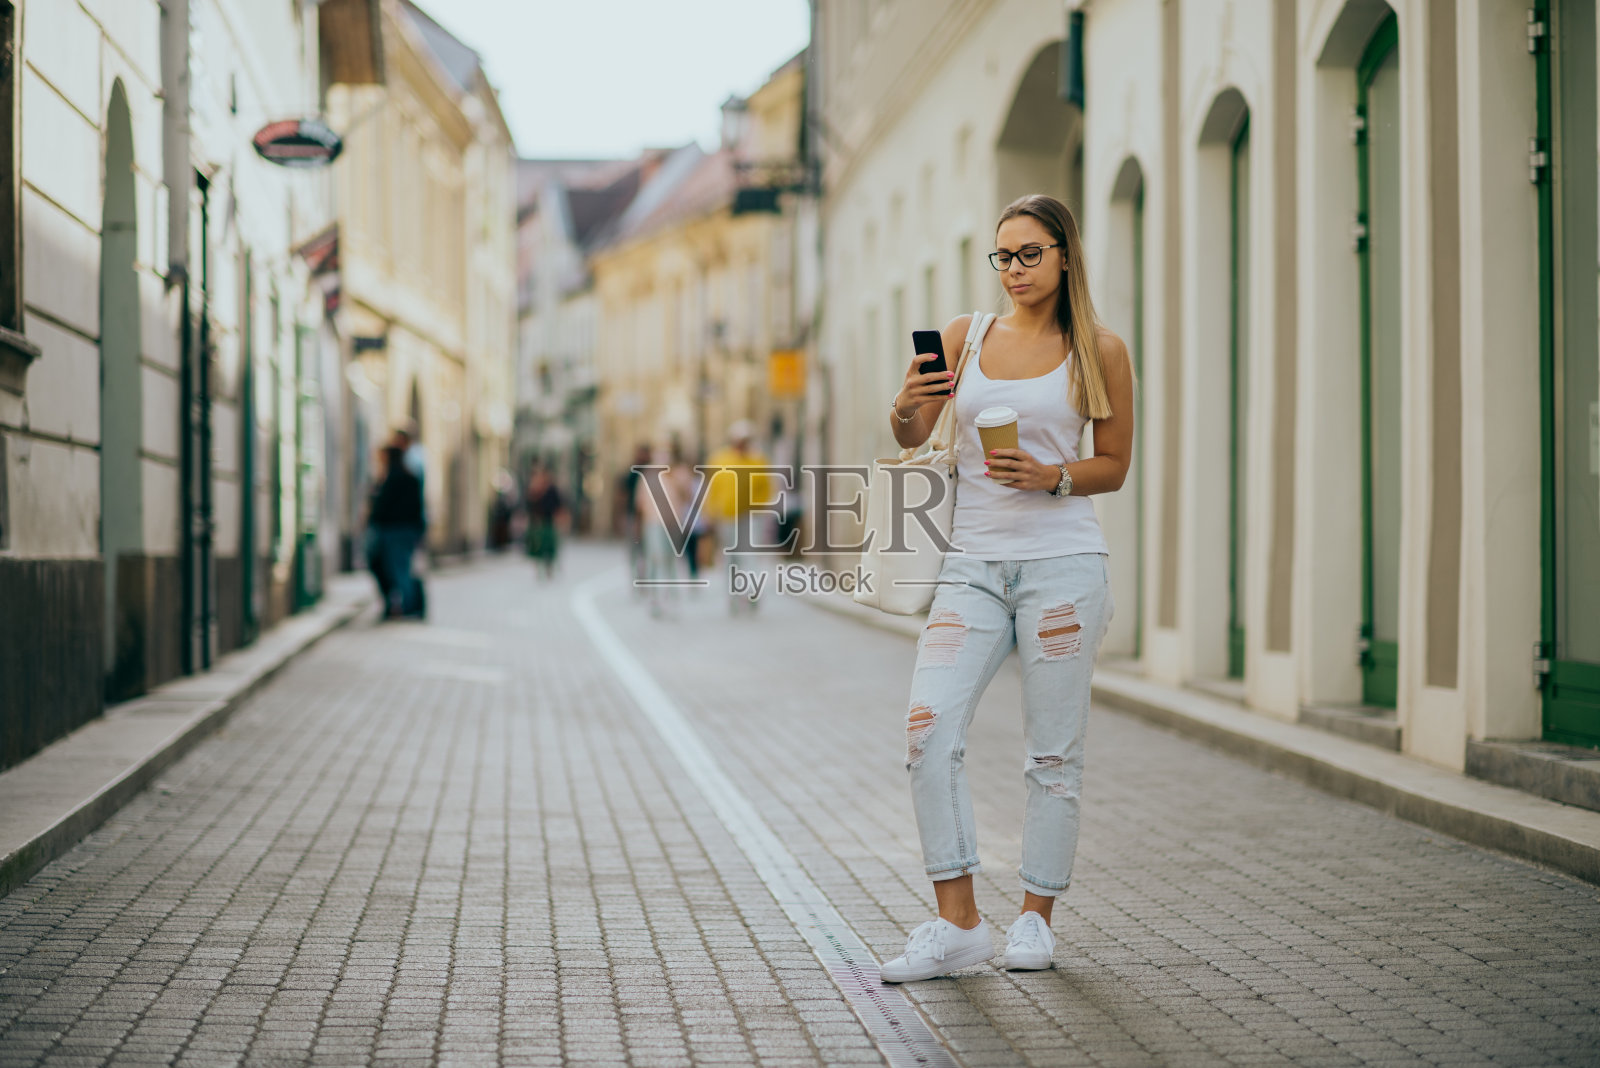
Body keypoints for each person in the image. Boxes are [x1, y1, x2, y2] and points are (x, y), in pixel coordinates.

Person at [876, 194, 1135, 982]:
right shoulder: (966, 337)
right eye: (1003, 256)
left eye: (1029, 254)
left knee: (1052, 756)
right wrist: (907, 406)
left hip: (1062, 567)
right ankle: (959, 925)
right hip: (970, 566)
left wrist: (1053, 476)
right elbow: (909, 434)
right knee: (928, 730)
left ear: (1064, 256)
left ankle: (1035, 918)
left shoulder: (1099, 349)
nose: (1014, 270)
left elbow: (1114, 466)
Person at [704, 420, 778, 614]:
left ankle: (753, 593)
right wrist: (710, 512)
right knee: (731, 559)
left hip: (751, 516)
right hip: (727, 517)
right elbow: (712, 488)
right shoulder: (719, 459)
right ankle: (733, 596)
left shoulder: (757, 459)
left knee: (749, 556)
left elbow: (766, 487)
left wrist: (761, 509)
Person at [368, 445, 427, 619]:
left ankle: (407, 607)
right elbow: (418, 507)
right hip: (408, 530)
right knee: (402, 568)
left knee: (398, 568)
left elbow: (381, 507)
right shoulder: (412, 478)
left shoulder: (390, 480)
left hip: (392, 531)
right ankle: (407, 605)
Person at [637, 443, 695, 616]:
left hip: (673, 523)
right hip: (654, 523)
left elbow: (688, 497)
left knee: (671, 559)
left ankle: (670, 597)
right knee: (656, 558)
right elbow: (641, 503)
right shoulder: (648, 476)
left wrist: (675, 479)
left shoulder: (679, 474)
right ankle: (656, 597)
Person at [525, 464, 566, 579]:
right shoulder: (535, 489)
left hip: (549, 522)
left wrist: (560, 519)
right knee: (538, 548)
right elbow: (530, 505)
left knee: (549, 548)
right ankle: (538, 568)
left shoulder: (552, 490)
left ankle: (549, 568)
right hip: (538, 523)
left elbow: (558, 506)